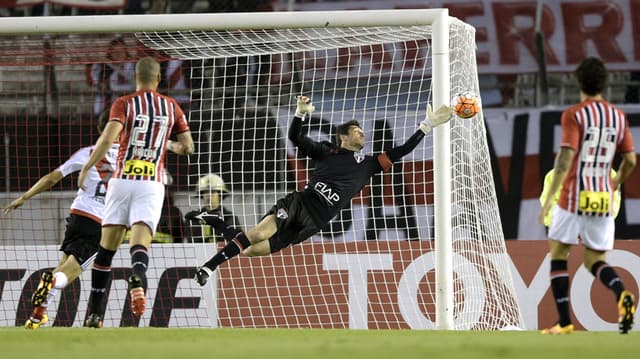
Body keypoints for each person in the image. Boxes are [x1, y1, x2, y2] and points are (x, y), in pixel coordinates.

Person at [193, 95, 451, 286]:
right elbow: (296, 137)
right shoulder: (327, 151)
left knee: (250, 250)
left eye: (362, 131)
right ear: (343, 137)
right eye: (356, 131)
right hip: (301, 202)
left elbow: (402, 150)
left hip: (315, 221)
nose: (362, 134)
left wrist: (426, 125)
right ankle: (208, 268)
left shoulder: (370, 164)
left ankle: (215, 221)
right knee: (258, 232)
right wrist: (300, 113)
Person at [77, 56, 194, 328]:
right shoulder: (171, 106)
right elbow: (188, 147)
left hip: (122, 180)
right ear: (158, 79)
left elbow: (108, 139)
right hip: (151, 183)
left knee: (106, 250)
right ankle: (137, 276)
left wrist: (87, 167)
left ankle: (95, 313)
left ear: (136, 78)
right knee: (140, 245)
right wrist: (168, 145)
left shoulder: (124, 103)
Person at [538, 57, 636, 335]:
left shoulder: (575, 114)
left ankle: (564, 322)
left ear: (579, 82)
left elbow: (566, 158)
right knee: (595, 261)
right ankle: (621, 294)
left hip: (573, 195)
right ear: (605, 83)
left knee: (558, 254)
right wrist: (615, 183)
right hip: (603, 198)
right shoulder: (618, 117)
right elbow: (630, 161)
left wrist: (547, 201)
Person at [1, 110, 117, 329]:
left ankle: (37, 315)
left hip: (78, 215)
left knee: (63, 265)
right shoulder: (127, 158)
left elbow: (52, 178)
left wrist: (25, 196)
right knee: (69, 272)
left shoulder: (87, 153)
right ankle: (51, 283)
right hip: (101, 222)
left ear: (99, 130)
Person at [185, 173, 241, 242]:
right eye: (205, 192)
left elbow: (235, 240)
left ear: (220, 195)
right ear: (202, 195)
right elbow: (191, 241)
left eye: (213, 192)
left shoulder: (230, 217)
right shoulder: (194, 219)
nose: (209, 196)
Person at [88, 36, 135, 116]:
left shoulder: (132, 66)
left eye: (121, 51)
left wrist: (111, 86)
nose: (118, 54)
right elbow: (94, 83)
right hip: (103, 109)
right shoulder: (101, 66)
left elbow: (134, 86)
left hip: (126, 109)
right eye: (115, 51)